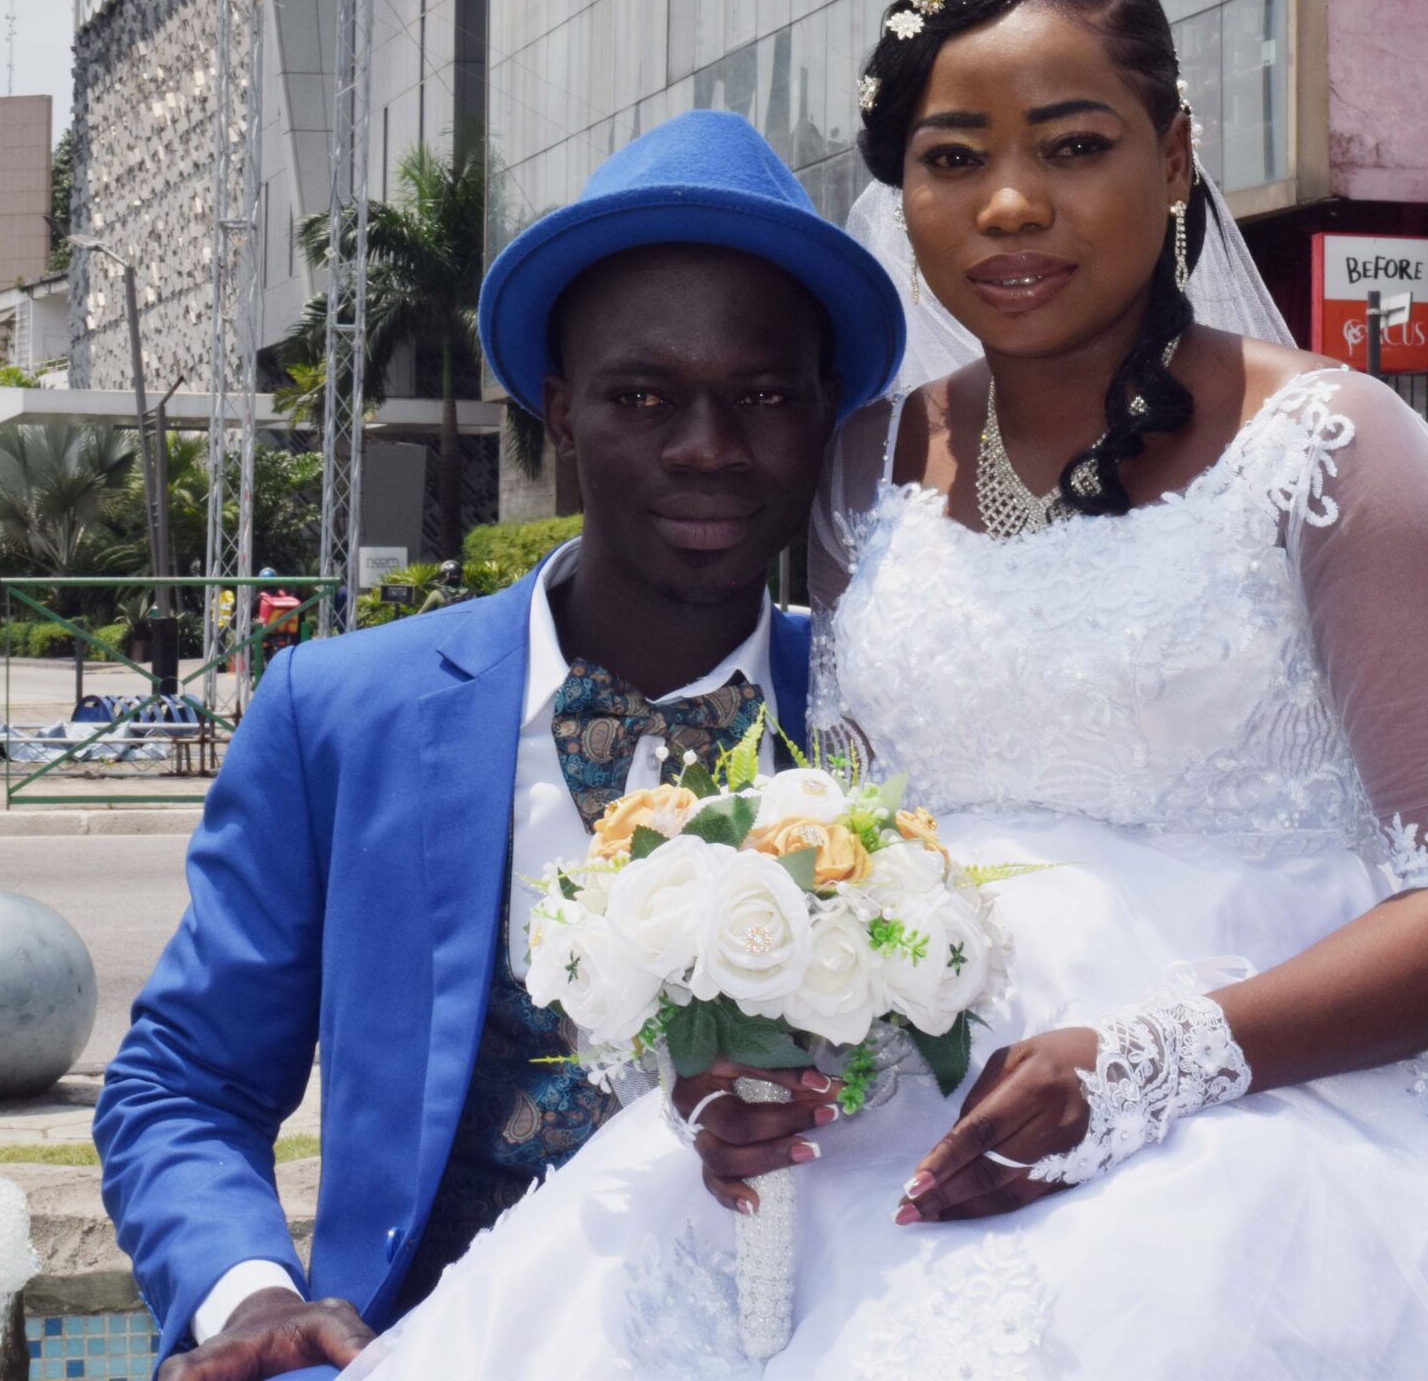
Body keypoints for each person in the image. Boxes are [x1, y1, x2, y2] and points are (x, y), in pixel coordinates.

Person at [344, 0, 1428, 1378]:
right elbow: (858, 834)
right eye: (953, 158)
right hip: (914, 1089)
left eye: (1074, 145)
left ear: (1174, 155)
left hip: (1249, 1110)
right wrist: (756, 1034)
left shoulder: (1334, 449)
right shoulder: (867, 466)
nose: (1012, 203)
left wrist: (1143, 1067)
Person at [93, 109, 907, 1381]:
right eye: (643, 396)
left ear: (823, 418)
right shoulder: (338, 713)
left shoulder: (892, 718)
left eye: (761, 396)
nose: (706, 447)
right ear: (561, 413)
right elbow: (185, 1082)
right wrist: (247, 1296)